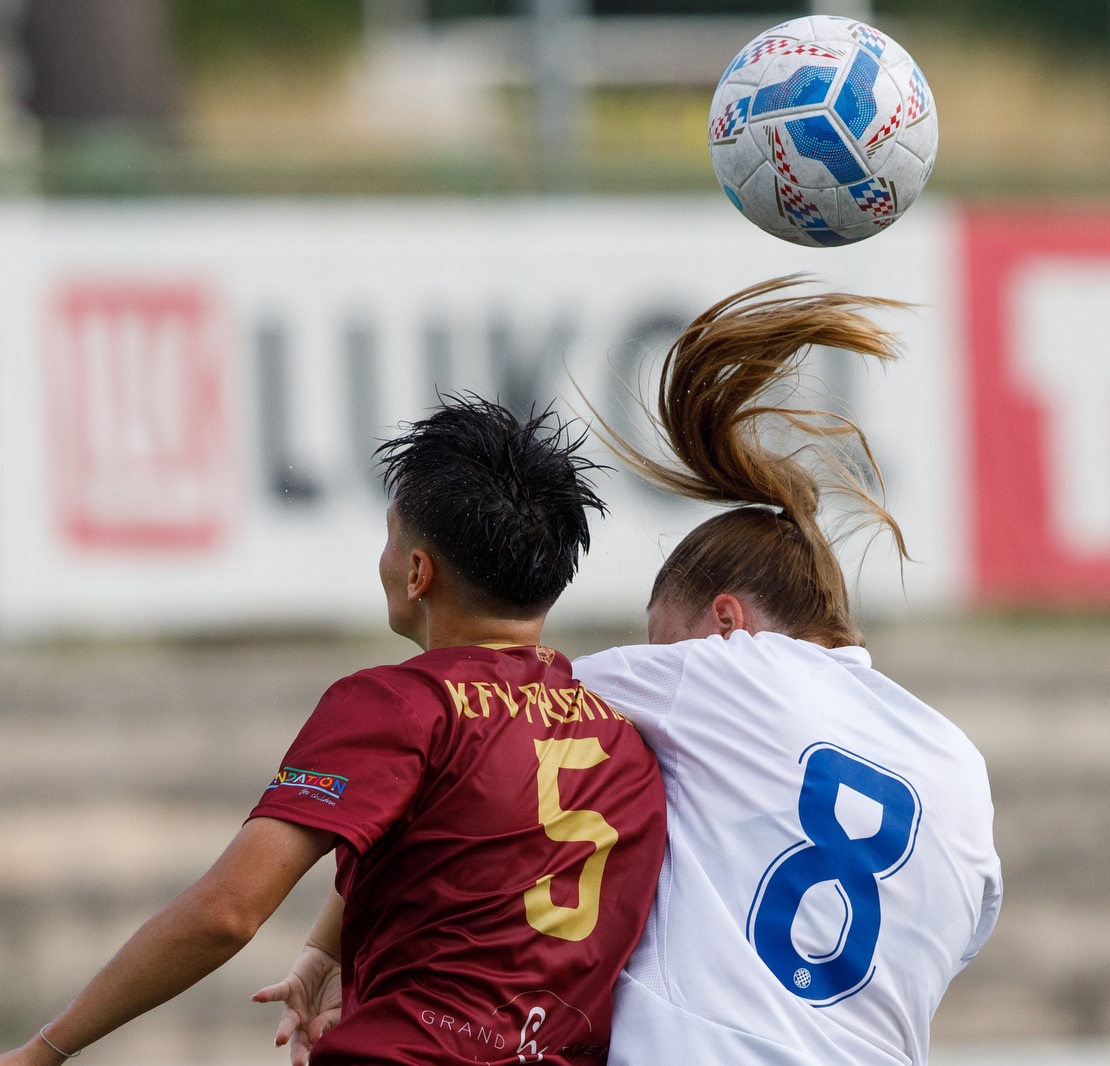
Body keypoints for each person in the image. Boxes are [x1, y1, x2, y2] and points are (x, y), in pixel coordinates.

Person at [264, 279, 1000, 1066]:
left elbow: (493, 723)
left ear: (723, 624)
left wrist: (324, 948)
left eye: (660, 642)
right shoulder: (959, 767)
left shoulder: (720, 676)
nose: (650, 661)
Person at [0, 398, 666, 1066]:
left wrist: (46, 1049)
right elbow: (473, 830)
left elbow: (228, 912)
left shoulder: (399, 703)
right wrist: (328, 950)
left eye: (392, 540)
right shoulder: (626, 742)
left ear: (419, 572)